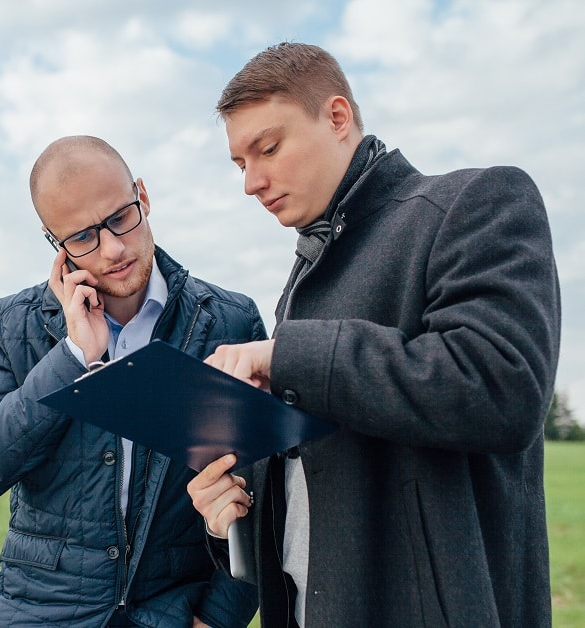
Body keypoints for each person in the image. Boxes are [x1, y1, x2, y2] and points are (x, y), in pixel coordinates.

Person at [187, 43, 561, 627]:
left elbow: (501, 388)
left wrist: (289, 355)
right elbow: (327, 479)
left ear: (337, 118)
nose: (252, 183)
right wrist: (234, 513)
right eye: (240, 164)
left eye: (268, 147)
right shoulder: (299, 284)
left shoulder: (477, 202)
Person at [0, 135, 265, 627]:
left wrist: (219, 619)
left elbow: (261, 491)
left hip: (174, 612)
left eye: (121, 217)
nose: (113, 249)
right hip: (40, 613)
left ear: (142, 194)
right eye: (82, 238)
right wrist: (74, 355)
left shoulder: (229, 321)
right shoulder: (14, 323)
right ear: (55, 244)